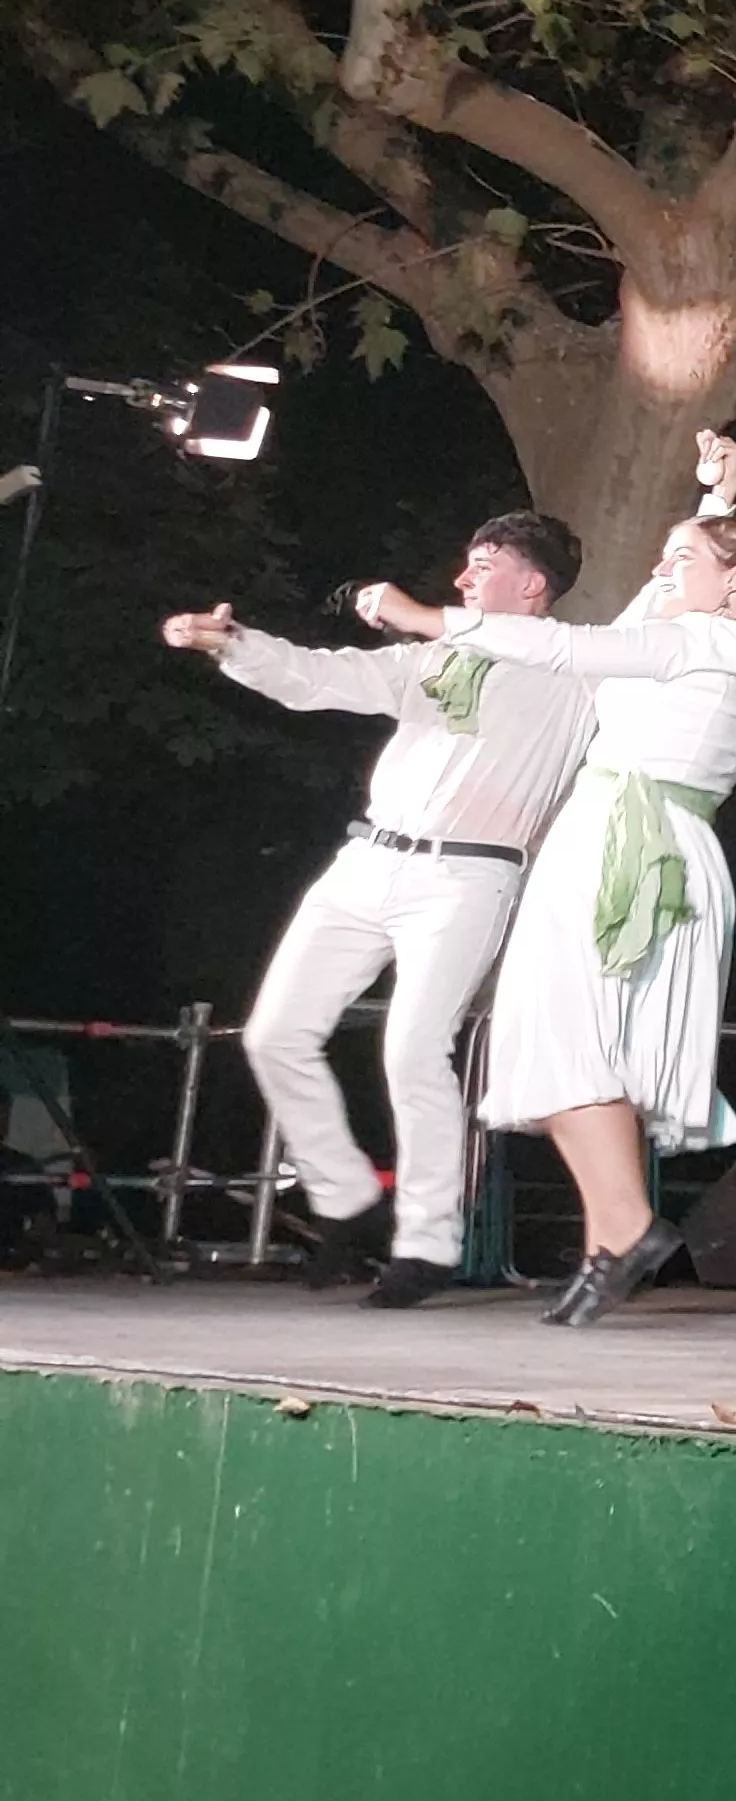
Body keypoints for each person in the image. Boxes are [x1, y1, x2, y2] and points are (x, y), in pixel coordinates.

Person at [358, 432, 736, 1325]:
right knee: (575, 1048)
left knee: (558, 1039)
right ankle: (612, 1234)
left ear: (732, 581)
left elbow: (564, 650)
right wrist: (713, 506)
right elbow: (714, 614)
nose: (661, 573)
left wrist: (429, 619)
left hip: (619, 839)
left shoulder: (684, 644)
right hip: (671, 843)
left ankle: (622, 1224)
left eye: (681, 561)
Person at [162, 511, 596, 1306]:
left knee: (414, 1048)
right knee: (274, 1033)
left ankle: (427, 1245)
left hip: (468, 877)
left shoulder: (575, 673)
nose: (464, 577)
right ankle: (347, 1199)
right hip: (368, 860)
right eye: (466, 564)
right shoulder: (433, 659)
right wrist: (235, 644)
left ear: (533, 586)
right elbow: (323, 675)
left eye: (485, 564)